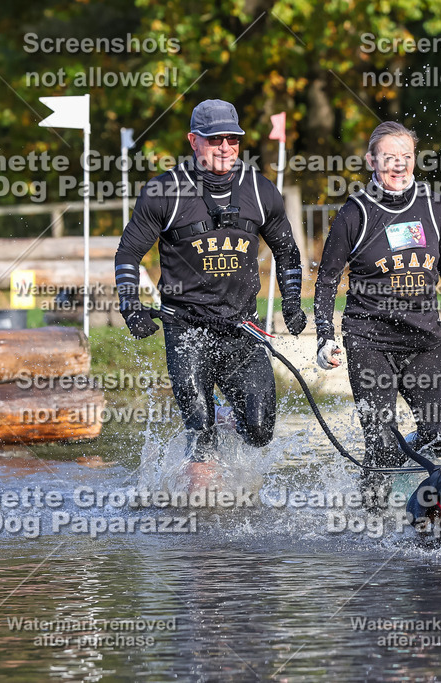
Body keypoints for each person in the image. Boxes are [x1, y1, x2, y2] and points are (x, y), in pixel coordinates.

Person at [115, 99, 306, 470]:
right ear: (193, 140)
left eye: (232, 139)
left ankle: (222, 420)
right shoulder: (164, 192)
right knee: (200, 432)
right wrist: (130, 304)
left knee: (260, 430)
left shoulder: (261, 190)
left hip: (241, 330)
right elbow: (127, 255)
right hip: (187, 330)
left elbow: (288, 252)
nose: (225, 148)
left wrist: (293, 303)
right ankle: (201, 512)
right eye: (214, 139)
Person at [313, 121, 441, 506]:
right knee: (382, 441)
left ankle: (399, 474)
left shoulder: (434, 207)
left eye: (406, 157)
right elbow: (326, 280)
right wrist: (324, 335)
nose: (399, 166)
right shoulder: (356, 213)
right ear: (371, 160)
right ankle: (370, 515)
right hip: (369, 339)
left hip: (423, 340)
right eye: (389, 158)